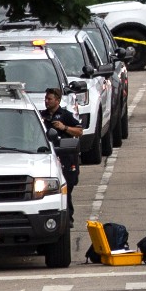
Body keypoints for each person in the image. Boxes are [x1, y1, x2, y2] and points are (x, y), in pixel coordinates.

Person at [40, 87, 83, 215]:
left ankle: (68, 216)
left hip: (66, 156)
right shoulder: (42, 115)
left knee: (67, 187)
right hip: (47, 155)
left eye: (49, 99)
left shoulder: (65, 115)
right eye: (45, 99)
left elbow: (79, 131)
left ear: (58, 100)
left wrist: (64, 127)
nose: (46, 101)